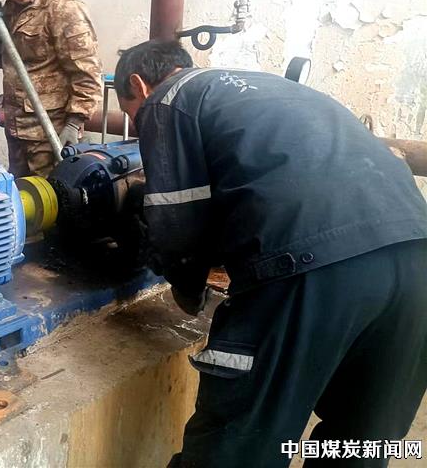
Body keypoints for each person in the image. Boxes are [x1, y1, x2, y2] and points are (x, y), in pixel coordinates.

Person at [114, 39, 427, 467]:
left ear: (139, 86)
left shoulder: (168, 99)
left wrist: (187, 288)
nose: (139, 126)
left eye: (131, 114)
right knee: (362, 438)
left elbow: (176, 221)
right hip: (415, 252)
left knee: (240, 447)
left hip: (312, 265)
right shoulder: (269, 88)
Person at [0, 0, 102, 178]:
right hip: (17, 130)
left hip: (52, 133)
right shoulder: (10, 9)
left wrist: (74, 123)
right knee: (22, 194)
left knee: (53, 197)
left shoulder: (63, 7)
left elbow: (87, 73)